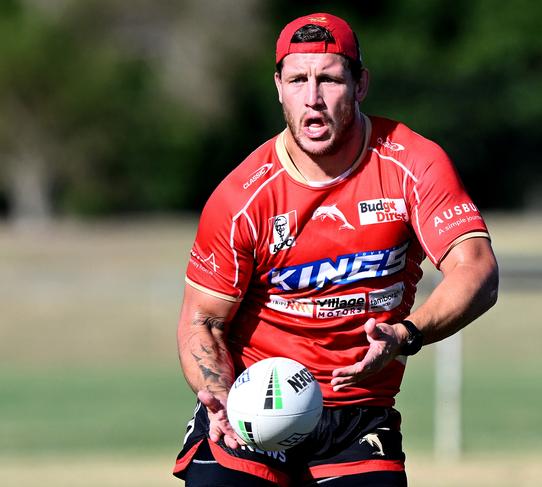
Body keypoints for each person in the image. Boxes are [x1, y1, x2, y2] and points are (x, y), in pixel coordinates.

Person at [173, 12, 498, 487]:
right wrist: (217, 393)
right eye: (298, 79)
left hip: (357, 415)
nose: (313, 99)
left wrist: (405, 334)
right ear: (278, 87)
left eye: (329, 79)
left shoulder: (412, 163)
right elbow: (202, 320)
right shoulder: (242, 196)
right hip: (252, 409)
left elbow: (477, 271)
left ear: (360, 84)